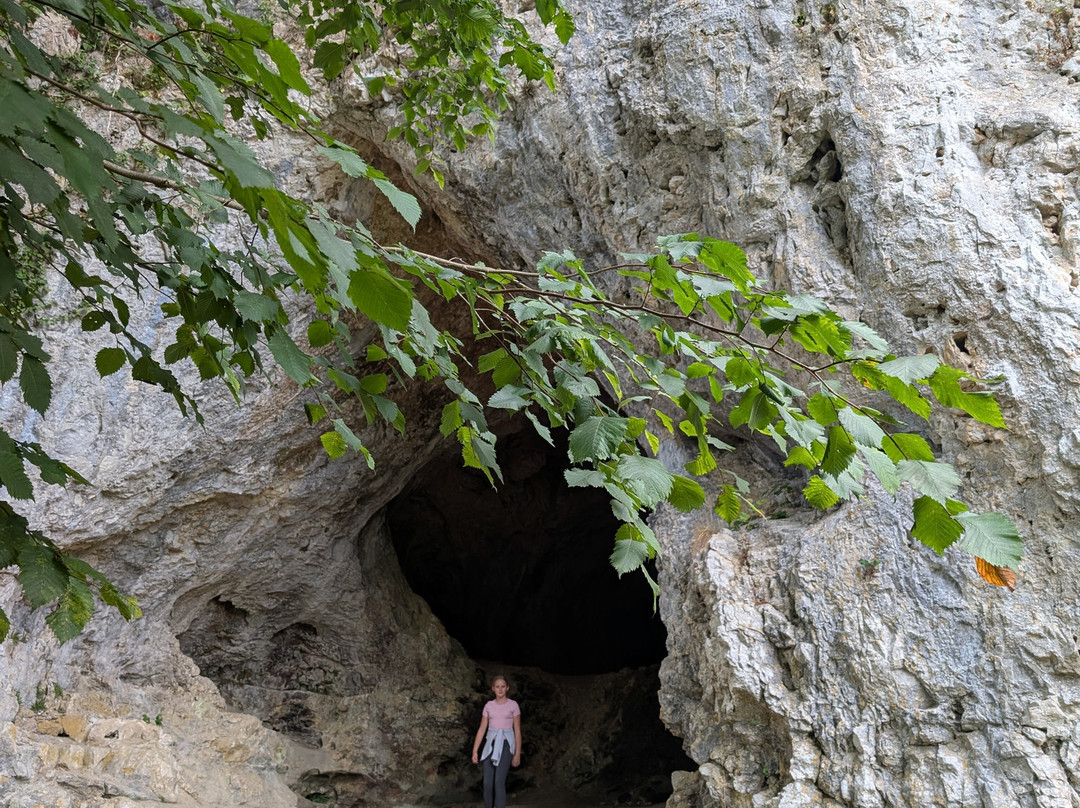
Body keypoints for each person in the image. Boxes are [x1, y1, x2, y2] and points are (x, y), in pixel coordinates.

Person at [471, 674, 522, 808]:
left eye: (503, 687)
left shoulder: (513, 705)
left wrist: (517, 754)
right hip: (491, 744)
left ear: (507, 688)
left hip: (506, 744)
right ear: (493, 689)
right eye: (497, 687)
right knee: (487, 783)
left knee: (498, 781)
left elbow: (517, 731)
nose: (500, 689)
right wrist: (475, 750)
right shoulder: (489, 706)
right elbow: (482, 729)